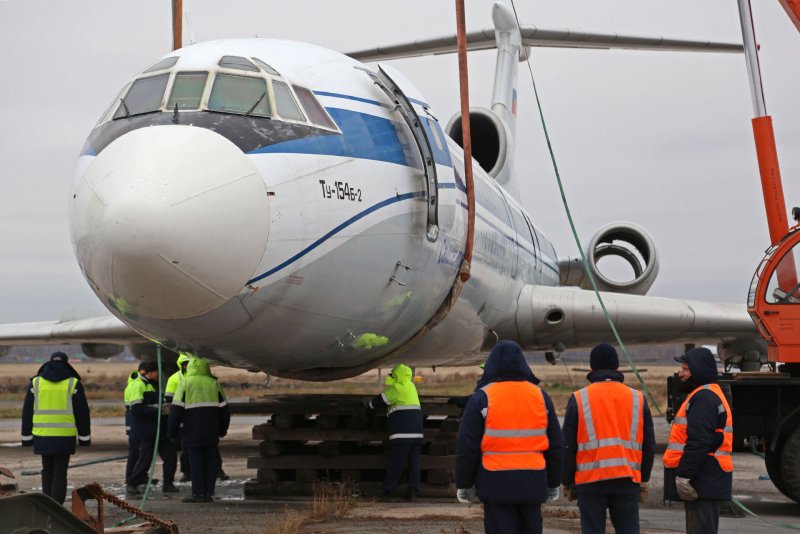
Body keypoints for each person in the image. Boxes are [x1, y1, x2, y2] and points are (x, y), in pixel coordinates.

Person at [455, 340, 563, 534]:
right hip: (532, 483)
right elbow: (555, 446)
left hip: (495, 484)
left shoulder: (481, 398)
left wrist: (464, 484)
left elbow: (467, 447)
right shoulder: (540, 396)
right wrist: (554, 482)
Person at [562, 343, 655, 534]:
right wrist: (643, 479)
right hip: (627, 480)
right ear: (616, 367)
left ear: (592, 368)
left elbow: (567, 446)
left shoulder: (580, 398)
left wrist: (568, 480)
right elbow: (649, 445)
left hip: (590, 482)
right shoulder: (637, 398)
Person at [663, 347, 733, 534]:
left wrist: (684, 476)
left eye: (685, 368)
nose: (680, 373)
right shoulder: (706, 394)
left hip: (703, 480)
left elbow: (699, 441)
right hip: (707, 479)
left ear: (698, 370)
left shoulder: (704, 397)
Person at [20, 351, 91, 504]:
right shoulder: (73, 383)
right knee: (60, 471)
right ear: (66, 363)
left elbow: (27, 411)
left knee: (46, 469)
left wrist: (26, 437)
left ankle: (47, 503)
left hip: (42, 435)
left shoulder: (36, 383)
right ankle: (57, 504)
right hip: (64, 436)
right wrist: (84, 437)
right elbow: (82, 413)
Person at [168, 358, 230, 503]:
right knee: (210, 462)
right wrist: (222, 429)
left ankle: (197, 494)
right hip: (211, 431)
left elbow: (175, 410)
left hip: (192, 431)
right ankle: (208, 493)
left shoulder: (185, 384)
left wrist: (172, 432)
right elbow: (225, 410)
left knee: (196, 463)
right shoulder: (214, 384)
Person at [367, 363, 423, 501]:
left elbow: (378, 401)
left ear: (397, 375)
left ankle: (386, 490)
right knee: (414, 463)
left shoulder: (397, 389)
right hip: (417, 434)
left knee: (396, 463)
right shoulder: (411, 387)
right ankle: (412, 491)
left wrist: (367, 404)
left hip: (402, 434)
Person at [126, 361, 178, 495]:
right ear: (149, 371)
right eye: (156, 371)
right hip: (146, 430)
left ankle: (168, 483)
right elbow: (136, 408)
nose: (158, 374)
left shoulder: (155, 385)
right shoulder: (138, 385)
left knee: (170, 456)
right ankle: (132, 483)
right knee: (145, 459)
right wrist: (159, 410)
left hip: (160, 429)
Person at [124, 362, 148, 485]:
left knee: (139, 453)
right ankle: (130, 478)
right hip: (134, 424)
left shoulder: (137, 383)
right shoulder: (136, 385)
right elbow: (133, 409)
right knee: (135, 453)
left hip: (135, 424)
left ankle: (140, 476)